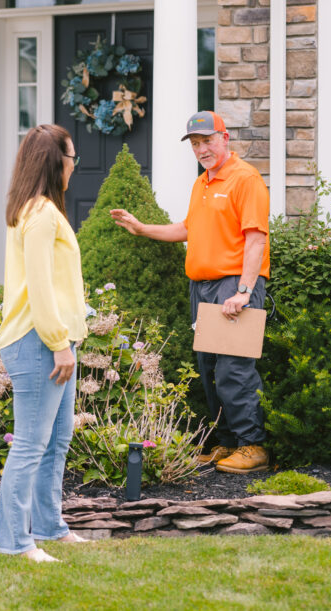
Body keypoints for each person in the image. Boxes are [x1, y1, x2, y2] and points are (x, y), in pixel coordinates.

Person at [110, 111, 271, 474]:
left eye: (207, 140)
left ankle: (253, 445)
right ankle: (227, 442)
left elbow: (256, 239)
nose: (202, 149)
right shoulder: (203, 183)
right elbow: (188, 228)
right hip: (203, 288)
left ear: (225, 138)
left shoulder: (245, 179)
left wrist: (244, 291)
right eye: (195, 144)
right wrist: (141, 228)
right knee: (210, 368)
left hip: (233, 285)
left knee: (234, 368)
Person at [0, 124, 89, 562]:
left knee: (57, 440)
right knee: (32, 445)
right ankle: (16, 544)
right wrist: (58, 342)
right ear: (56, 162)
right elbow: (39, 287)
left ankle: (51, 526)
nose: (74, 166)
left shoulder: (40, 209)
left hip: (53, 339)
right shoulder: (42, 214)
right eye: (72, 158)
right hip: (39, 341)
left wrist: (65, 338)